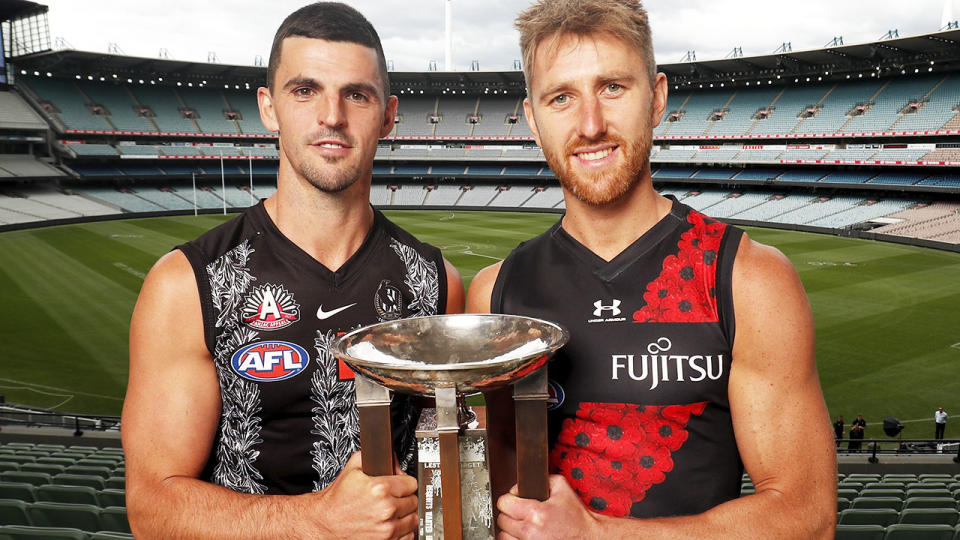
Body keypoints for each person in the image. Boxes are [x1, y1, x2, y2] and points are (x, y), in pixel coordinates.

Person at [465, 0, 836, 537]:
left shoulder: (747, 279)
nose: (591, 125)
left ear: (657, 98)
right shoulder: (493, 293)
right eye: (562, 97)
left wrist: (596, 534)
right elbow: (498, 485)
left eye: (612, 87)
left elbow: (808, 517)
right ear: (532, 118)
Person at [121, 3, 464, 538]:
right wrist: (317, 520)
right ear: (269, 107)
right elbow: (151, 508)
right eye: (305, 90)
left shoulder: (436, 281)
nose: (332, 115)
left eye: (357, 93)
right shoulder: (187, 284)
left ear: (389, 114)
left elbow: (442, 465)